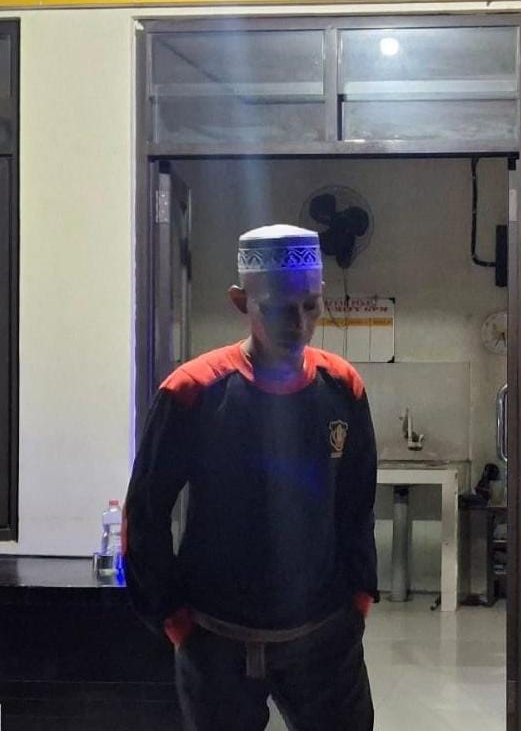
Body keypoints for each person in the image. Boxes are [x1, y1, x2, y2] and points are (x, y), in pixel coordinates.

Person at [124, 224, 378, 731]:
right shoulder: (192, 391)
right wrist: (171, 618)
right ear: (242, 301)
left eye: (310, 306)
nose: (300, 324)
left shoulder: (341, 387)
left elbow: (356, 505)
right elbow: (146, 513)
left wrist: (359, 599)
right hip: (215, 638)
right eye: (279, 309)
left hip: (324, 636)